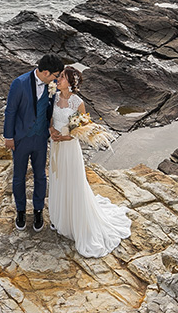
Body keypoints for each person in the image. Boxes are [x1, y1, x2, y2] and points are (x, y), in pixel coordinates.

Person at [47, 66, 131, 257]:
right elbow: (50, 120)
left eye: (61, 77)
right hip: (56, 146)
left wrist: (64, 138)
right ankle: (61, 219)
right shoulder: (53, 97)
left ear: (70, 82)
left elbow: (80, 132)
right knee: (57, 179)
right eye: (58, 77)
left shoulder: (78, 103)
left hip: (69, 148)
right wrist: (52, 131)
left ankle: (76, 223)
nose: (57, 79)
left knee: (72, 182)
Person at [3, 54, 66, 231]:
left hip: (40, 138)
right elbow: (11, 111)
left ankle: (38, 210)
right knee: (19, 176)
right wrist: (9, 137)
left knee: (40, 175)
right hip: (21, 139)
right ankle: (21, 211)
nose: (57, 78)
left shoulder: (51, 86)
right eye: (56, 75)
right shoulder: (19, 83)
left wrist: (51, 129)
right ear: (46, 72)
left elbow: (50, 110)